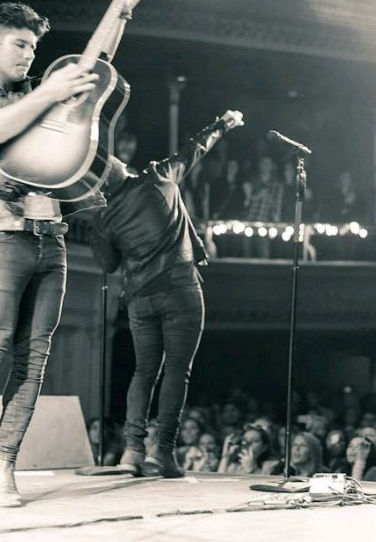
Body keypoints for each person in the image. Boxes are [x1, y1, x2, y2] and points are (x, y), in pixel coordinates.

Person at [0, 0, 147, 509]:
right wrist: (49, 90)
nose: (30, 54)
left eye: (34, 46)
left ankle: (1, 463)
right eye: (20, 44)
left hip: (52, 239)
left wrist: (120, 7)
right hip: (0, 237)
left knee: (33, 360)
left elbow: (94, 65)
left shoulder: (38, 94)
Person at [90, 110, 242, 479]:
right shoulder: (157, 176)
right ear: (120, 168)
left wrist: (98, 225)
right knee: (177, 370)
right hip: (179, 288)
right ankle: (163, 453)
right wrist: (222, 124)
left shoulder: (103, 216)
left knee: (143, 372)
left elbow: (109, 264)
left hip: (139, 298)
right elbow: (194, 149)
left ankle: (132, 451)